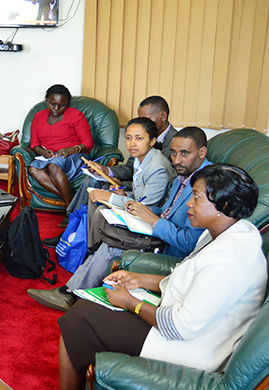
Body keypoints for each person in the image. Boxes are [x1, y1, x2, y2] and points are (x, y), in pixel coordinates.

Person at [57, 164, 266, 390]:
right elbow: (191, 281)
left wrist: (130, 302)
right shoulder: (233, 231)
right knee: (87, 310)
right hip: (190, 328)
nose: (189, 203)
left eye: (196, 197)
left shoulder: (229, 259)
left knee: (79, 318)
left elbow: (180, 327)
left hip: (192, 347)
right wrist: (139, 279)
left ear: (223, 205)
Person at [29, 127, 210, 311]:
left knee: (113, 244)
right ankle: (75, 286)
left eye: (184, 153)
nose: (177, 160)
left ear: (202, 152)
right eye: (173, 153)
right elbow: (165, 210)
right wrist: (140, 210)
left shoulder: (205, 187)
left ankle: (70, 294)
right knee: (112, 227)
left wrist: (154, 220)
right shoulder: (185, 174)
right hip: (159, 230)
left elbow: (188, 243)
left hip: (172, 250)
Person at [62, 96, 177, 223]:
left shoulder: (177, 143)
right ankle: (72, 223)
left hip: (150, 197)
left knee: (102, 198)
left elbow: (161, 185)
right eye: (128, 138)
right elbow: (130, 168)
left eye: (138, 138)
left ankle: (77, 230)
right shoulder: (138, 144)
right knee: (93, 180)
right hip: (134, 188)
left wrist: (119, 189)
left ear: (163, 116)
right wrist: (106, 171)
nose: (132, 142)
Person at [27, 84, 93, 212]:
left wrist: (72, 149)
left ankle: (69, 210)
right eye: (52, 104)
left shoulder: (76, 115)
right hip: (50, 157)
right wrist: (42, 152)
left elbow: (88, 143)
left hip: (74, 156)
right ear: (47, 101)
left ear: (67, 104)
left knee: (53, 165)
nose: (56, 108)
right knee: (33, 169)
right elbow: (34, 144)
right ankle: (72, 203)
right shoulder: (38, 117)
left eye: (61, 105)